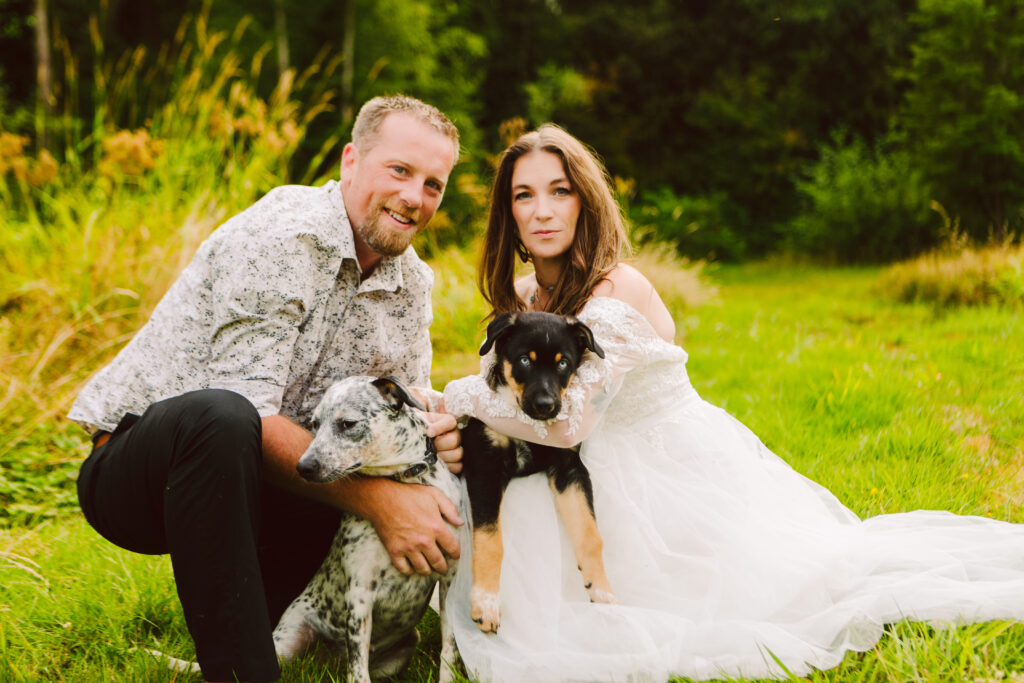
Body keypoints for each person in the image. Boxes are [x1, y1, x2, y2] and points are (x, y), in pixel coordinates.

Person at [440, 123, 1024, 682]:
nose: (542, 210)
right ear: (509, 215)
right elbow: (512, 402)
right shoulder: (523, 297)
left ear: (585, 202)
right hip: (582, 464)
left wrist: (451, 396)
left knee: (780, 593)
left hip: (661, 469)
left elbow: (570, 426)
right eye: (524, 195)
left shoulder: (618, 288)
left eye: (560, 191)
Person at [70, 94, 466, 683]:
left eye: (434, 184)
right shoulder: (282, 237)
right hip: (150, 475)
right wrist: (382, 503)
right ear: (351, 161)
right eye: (400, 170)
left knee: (294, 617)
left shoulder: (413, 283)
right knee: (224, 415)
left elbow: (403, 406)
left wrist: (442, 432)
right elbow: (251, 412)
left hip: (277, 488)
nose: (415, 196)